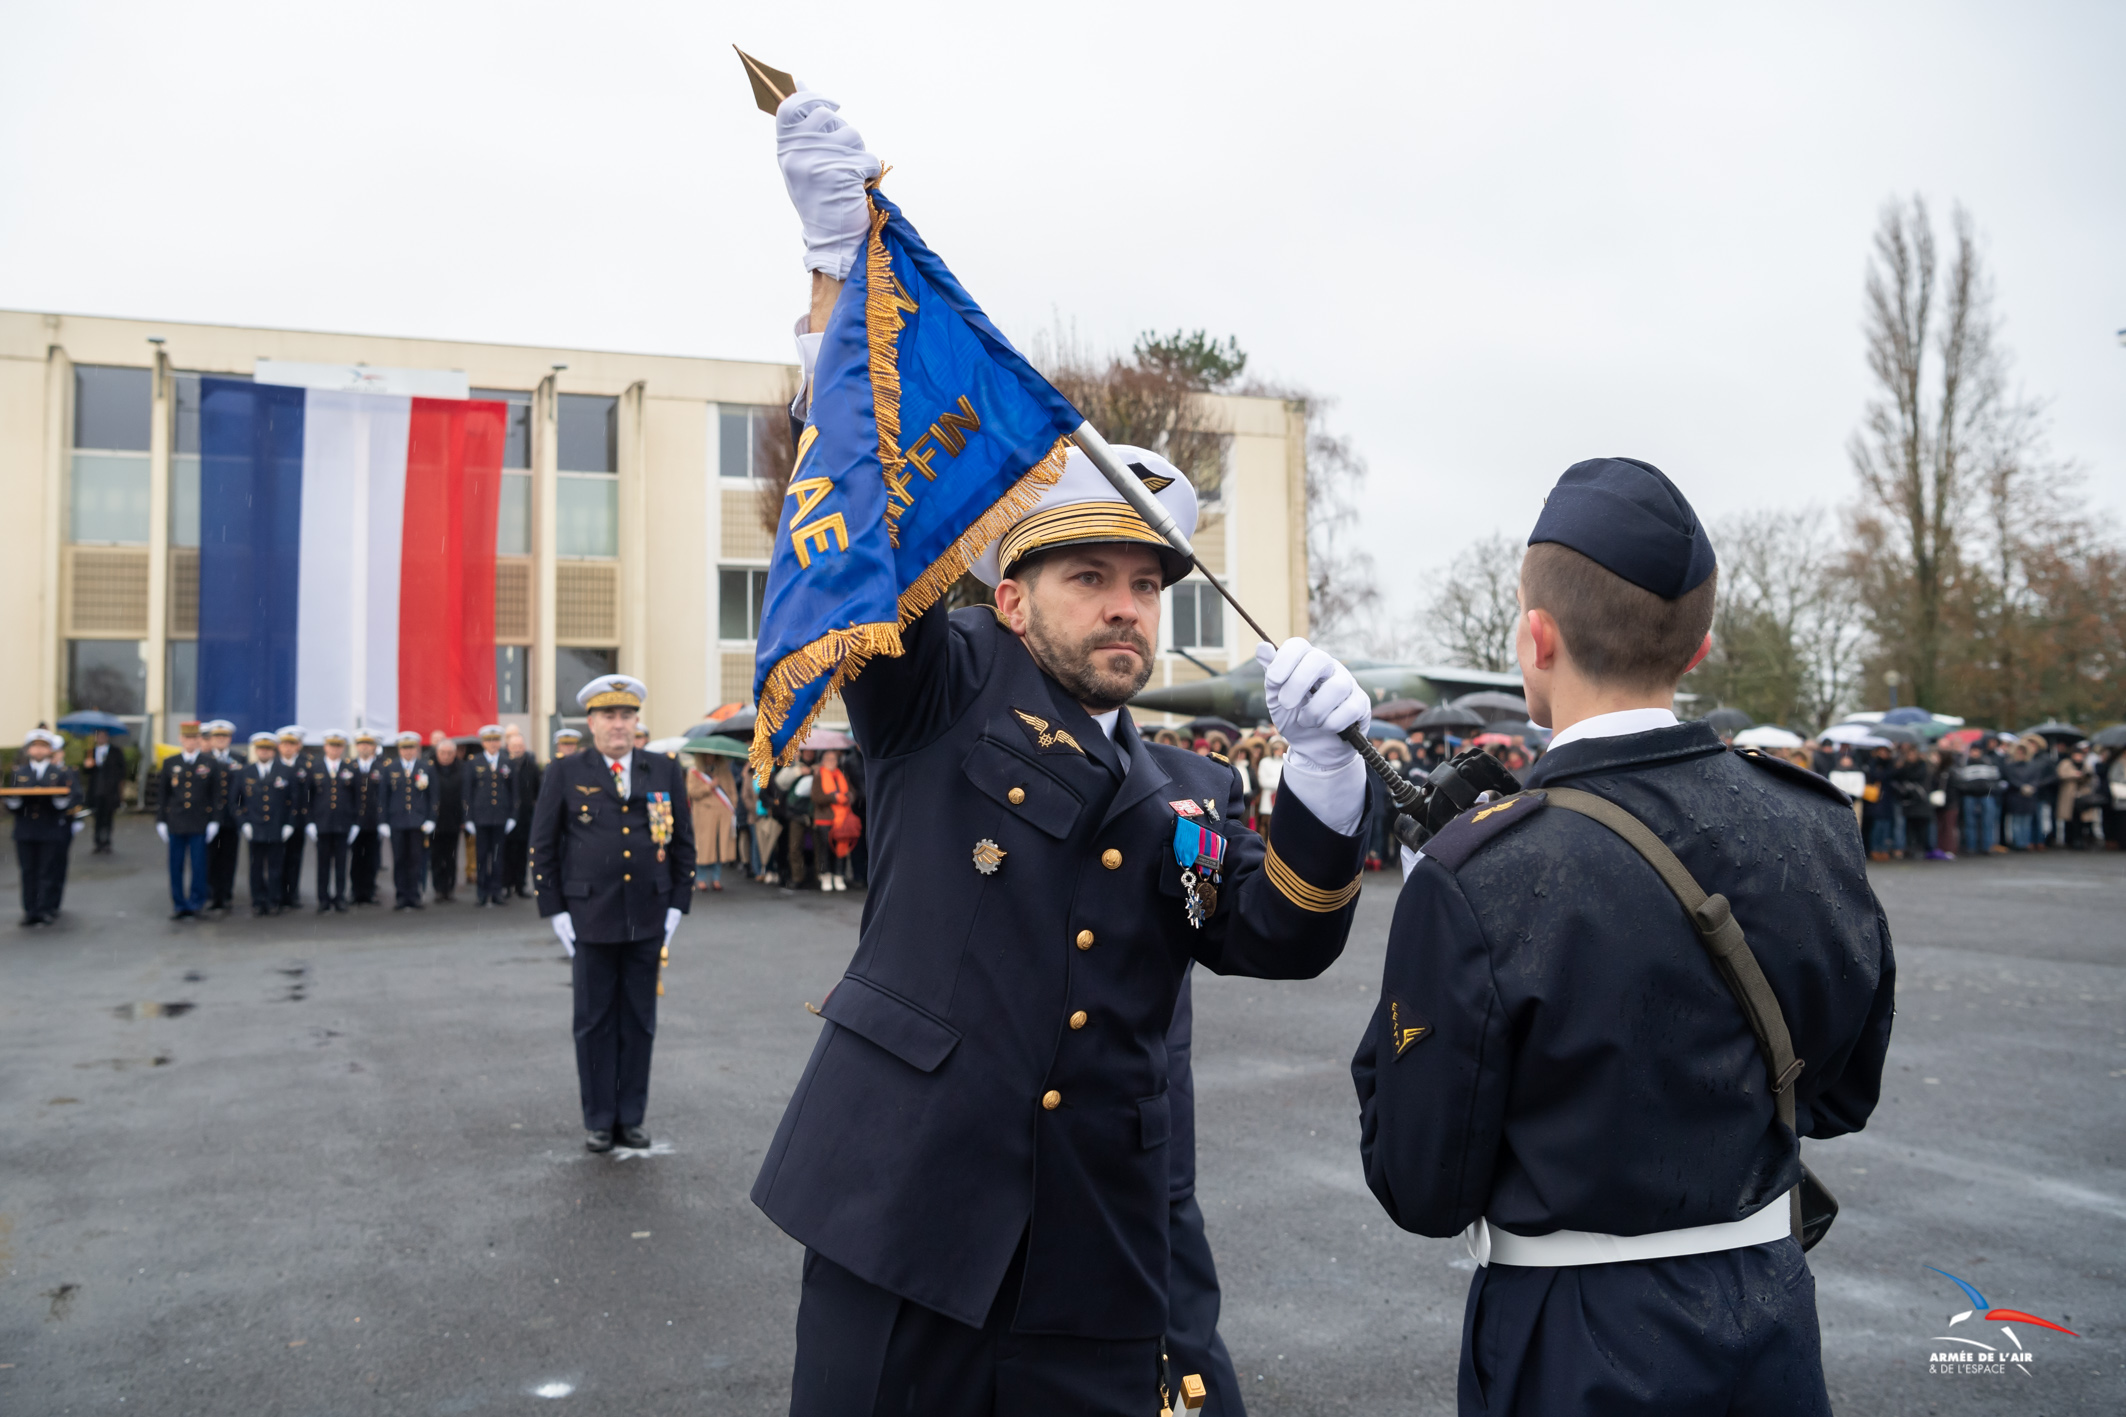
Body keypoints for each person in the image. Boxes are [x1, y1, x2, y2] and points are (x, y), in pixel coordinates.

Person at [1354, 457, 1896, 1417]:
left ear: (1537, 634)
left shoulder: (1482, 872)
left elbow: (1420, 1179)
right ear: (1698, 649)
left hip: (1571, 1345)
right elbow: (1841, 1093)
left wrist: (1439, 917)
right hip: (1767, 1318)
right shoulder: (1810, 821)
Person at [529, 675, 695, 1153]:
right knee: (594, 1021)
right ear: (591, 722)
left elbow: (682, 841)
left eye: (626, 715)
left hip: (648, 913)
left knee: (640, 1020)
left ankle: (631, 1116)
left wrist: (678, 904)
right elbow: (543, 845)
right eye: (608, 715)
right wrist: (555, 909)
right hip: (589, 917)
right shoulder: (565, 771)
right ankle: (600, 1119)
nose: (618, 724)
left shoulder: (662, 769)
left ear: (636, 721)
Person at [7, 728, 80, 925]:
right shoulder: (18, 773)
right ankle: (30, 910)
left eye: (43, 747)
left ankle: (45, 908)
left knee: (47, 870)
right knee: (28, 871)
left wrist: (60, 800)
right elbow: (11, 803)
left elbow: (70, 799)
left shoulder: (59, 773)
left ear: (49, 750)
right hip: (25, 829)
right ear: (29, 750)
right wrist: (13, 800)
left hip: (49, 829)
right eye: (35, 746)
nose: (38, 751)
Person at [154, 720, 224, 919]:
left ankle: (196, 902)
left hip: (199, 821)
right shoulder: (170, 763)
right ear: (180, 739)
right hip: (175, 821)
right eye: (187, 738)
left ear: (199, 740)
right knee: (175, 866)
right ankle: (178, 904)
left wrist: (215, 821)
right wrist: (160, 820)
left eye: (194, 738)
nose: (190, 742)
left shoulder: (210, 763)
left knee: (199, 865)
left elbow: (216, 795)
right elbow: (163, 795)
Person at [237, 731, 299, 916]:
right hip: (254, 828)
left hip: (276, 827)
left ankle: (274, 900)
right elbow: (235, 801)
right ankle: (258, 901)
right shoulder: (245, 772)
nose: (264, 752)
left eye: (268, 749)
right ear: (256, 751)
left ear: (273, 751)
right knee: (255, 868)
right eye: (261, 749)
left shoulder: (285, 772)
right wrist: (243, 823)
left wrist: (289, 824)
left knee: (275, 867)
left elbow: (294, 800)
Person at [377, 732, 436, 909]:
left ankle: (415, 895)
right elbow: (383, 797)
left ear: (416, 749)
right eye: (404, 748)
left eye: (410, 748)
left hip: (418, 822)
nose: (408, 751)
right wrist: (383, 821)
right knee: (400, 860)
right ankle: (401, 895)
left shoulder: (425, 767)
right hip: (397, 821)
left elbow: (433, 796)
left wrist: (431, 818)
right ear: (399, 749)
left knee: (416, 860)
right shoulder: (390, 768)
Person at [306, 731, 361, 913]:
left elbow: (358, 797)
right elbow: (308, 797)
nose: (335, 749)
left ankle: (339, 897)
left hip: (343, 824)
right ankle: (323, 898)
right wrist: (310, 821)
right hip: (321, 824)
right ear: (325, 747)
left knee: (341, 863)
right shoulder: (315, 768)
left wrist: (355, 823)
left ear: (343, 748)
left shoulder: (351, 768)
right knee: (322, 864)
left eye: (338, 746)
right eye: (331, 745)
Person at [464, 724, 518, 906]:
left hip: (501, 817)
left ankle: (496, 891)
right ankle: (482, 892)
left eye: (496, 740)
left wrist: (513, 816)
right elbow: (467, 793)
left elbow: (514, 792)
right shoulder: (474, 762)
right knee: (481, 856)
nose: (493, 743)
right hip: (480, 818)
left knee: (497, 856)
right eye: (489, 740)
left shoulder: (507, 761)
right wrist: (468, 818)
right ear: (483, 743)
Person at [202, 721, 244, 913]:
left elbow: (245, 790)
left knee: (229, 858)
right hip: (209, 818)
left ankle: (226, 894)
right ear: (210, 739)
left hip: (230, 818)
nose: (221, 740)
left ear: (229, 739)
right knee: (209, 858)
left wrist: (243, 815)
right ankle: (211, 895)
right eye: (217, 737)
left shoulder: (239, 759)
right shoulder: (203, 759)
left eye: (224, 737)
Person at [687, 750, 740, 892]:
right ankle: (701, 878)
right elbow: (692, 792)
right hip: (704, 815)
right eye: (706, 755)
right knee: (704, 847)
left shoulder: (724, 772)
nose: (709, 758)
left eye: (712, 755)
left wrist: (733, 806)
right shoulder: (694, 772)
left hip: (723, 814)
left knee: (719, 846)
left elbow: (732, 791)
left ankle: (716, 879)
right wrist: (709, 786)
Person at [274, 727, 312, 908]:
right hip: (277, 820)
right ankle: (277, 894)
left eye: (292, 744)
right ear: (279, 746)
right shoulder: (273, 764)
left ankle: (292, 893)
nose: (288, 748)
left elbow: (310, 793)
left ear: (298, 746)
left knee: (294, 858)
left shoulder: (306, 765)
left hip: (298, 820)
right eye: (284, 744)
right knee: (276, 859)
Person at [348, 729, 385, 904]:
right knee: (356, 858)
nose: (364, 747)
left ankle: (369, 891)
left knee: (372, 858)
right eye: (361, 744)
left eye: (368, 744)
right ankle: (356, 892)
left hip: (374, 820)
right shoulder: (350, 767)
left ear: (374, 747)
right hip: (355, 822)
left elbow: (384, 795)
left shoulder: (382, 767)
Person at [810, 748, 854, 892]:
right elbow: (816, 797)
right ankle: (826, 875)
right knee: (825, 849)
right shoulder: (819, 775)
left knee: (840, 849)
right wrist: (834, 797)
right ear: (823, 761)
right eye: (828, 759)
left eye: (834, 759)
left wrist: (847, 797)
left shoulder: (841, 775)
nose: (831, 762)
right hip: (824, 820)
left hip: (841, 819)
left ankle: (838, 875)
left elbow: (852, 793)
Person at [428, 734, 466, 902]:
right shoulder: (429, 768)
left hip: (453, 820)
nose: (446, 756)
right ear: (437, 753)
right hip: (434, 821)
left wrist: (464, 819)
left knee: (451, 857)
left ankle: (449, 889)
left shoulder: (462, 769)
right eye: (443, 752)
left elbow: (466, 796)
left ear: (454, 753)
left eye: (450, 753)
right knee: (436, 857)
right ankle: (437, 888)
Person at [505, 727, 541, 898]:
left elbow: (538, 789)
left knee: (522, 853)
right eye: (514, 746)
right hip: (507, 817)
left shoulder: (531, 766)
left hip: (526, 817)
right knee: (506, 852)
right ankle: (506, 885)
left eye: (520, 745)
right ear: (508, 747)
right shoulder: (503, 763)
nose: (517, 748)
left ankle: (520, 885)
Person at [82, 727, 129, 854]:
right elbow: (86, 772)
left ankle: (107, 841)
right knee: (97, 817)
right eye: (98, 735)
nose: (101, 738)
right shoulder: (90, 752)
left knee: (108, 818)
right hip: (96, 791)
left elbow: (122, 770)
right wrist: (87, 765)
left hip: (110, 791)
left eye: (103, 735)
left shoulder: (115, 751)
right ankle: (97, 842)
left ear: (107, 737)